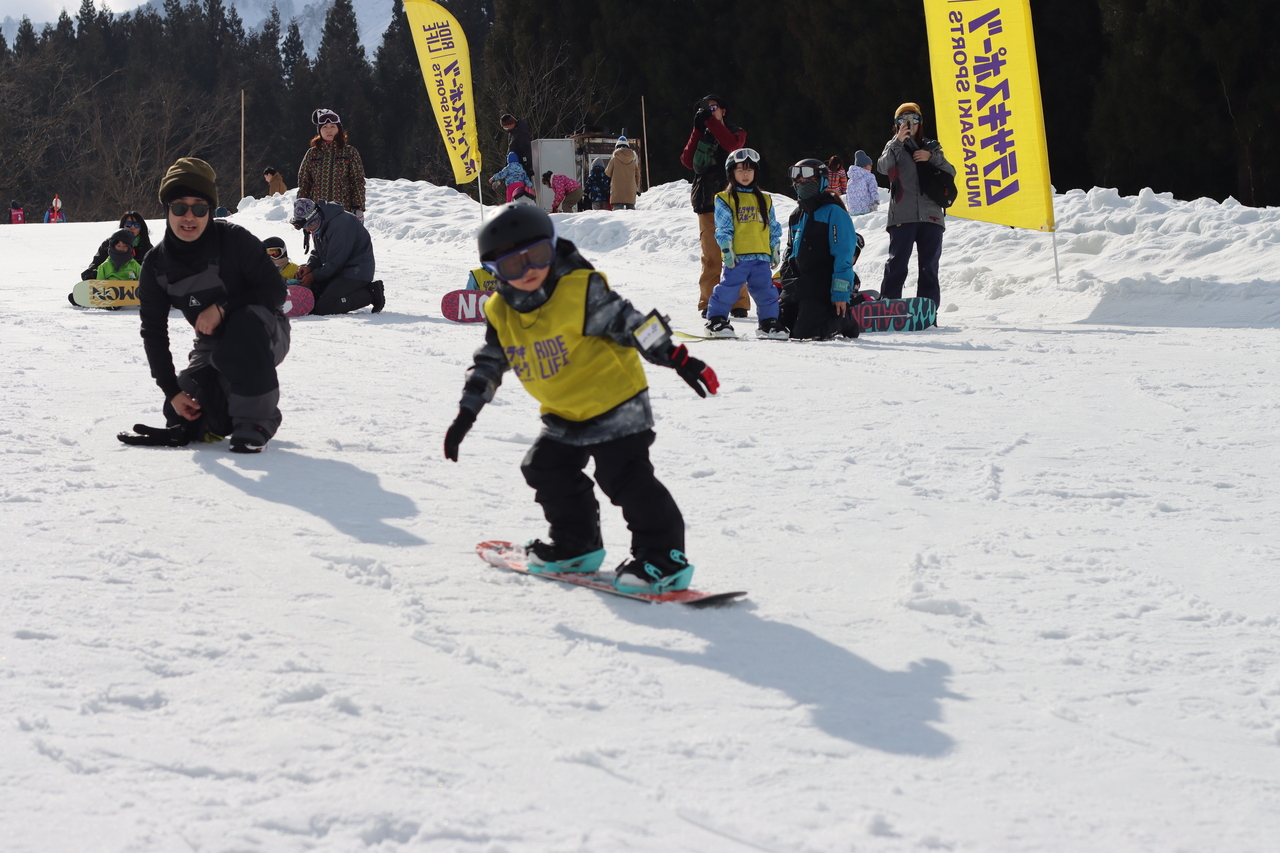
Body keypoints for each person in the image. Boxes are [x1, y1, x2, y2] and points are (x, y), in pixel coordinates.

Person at [443, 203, 720, 593]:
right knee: (543, 466)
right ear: (493, 271)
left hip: (617, 403)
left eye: (537, 256)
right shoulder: (500, 311)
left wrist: (679, 359)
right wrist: (465, 415)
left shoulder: (581, 290)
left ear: (553, 247)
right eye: (512, 266)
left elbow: (634, 325)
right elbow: (489, 363)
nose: (528, 272)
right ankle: (577, 543)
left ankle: (663, 556)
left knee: (623, 476)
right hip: (565, 412)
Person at [117, 157, 290, 454]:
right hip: (212, 344)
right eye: (179, 207)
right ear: (166, 209)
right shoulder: (156, 266)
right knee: (184, 410)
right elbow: (154, 332)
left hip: (263, 331)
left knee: (241, 328)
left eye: (199, 208)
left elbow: (276, 290)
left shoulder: (234, 240)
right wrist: (172, 392)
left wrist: (223, 307)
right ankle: (221, 418)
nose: (189, 217)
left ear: (210, 210)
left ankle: (257, 421)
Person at [877, 102, 955, 306]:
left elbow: (951, 172)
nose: (909, 124)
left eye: (914, 119)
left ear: (921, 123)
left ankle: (927, 310)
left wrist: (931, 158)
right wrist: (896, 142)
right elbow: (883, 167)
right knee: (897, 263)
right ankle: (888, 306)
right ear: (896, 124)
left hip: (932, 216)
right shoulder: (893, 146)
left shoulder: (932, 147)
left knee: (929, 266)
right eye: (903, 120)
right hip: (903, 215)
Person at [680, 94, 750, 318]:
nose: (709, 112)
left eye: (713, 108)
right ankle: (708, 302)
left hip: (733, 204)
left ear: (723, 111)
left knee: (736, 254)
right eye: (704, 109)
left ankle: (739, 303)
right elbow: (687, 161)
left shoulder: (737, 132)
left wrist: (711, 123)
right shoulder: (702, 135)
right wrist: (697, 130)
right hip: (706, 203)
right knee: (711, 257)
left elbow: (731, 146)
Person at [776, 159, 862, 341]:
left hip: (821, 287)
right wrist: (784, 282)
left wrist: (840, 294)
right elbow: (790, 252)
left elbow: (844, 256)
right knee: (778, 329)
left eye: (808, 181)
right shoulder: (796, 215)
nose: (802, 185)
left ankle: (844, 319)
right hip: (798, 287)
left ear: (822, 181)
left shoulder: (834, 212)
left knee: (805, 334)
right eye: (798, 182)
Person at [704, 148, 785, 340]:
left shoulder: (765, 199)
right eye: (740, 170)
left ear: (756, 172)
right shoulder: (725, 198)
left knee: (767, 291)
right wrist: (726, 249)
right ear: (731, 172)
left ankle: (769, 322)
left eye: (749, 169)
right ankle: (716, 320)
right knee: (729, 289)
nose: (745, 174)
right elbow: (723, 228)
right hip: (738, 257)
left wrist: (774, 248)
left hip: (761, 257)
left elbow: (772, 226)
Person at [291, 197, 384, 315]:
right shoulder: (321, 223)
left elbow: (336, 262)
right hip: (339, 270)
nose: (308, 230)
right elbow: (319, 253)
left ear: (315, 218)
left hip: (355, 272)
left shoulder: (341, 224)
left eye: (309, 226)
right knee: (315, 297)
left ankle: (370, 293)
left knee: (323, 307)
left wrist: (313, 275)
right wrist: (309, 267)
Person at [297, 108, 367, 218]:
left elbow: (357, 181)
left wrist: (358, 207)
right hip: (317, 212)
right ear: (319, 130)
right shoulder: (312, 154)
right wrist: (301, 208)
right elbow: (304, 183)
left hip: (343, 210)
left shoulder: (349, 152)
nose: (329, 130)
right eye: (325, 127)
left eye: (332, 127)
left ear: (338, 129)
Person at [81, 211, 153, 280]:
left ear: (141, 228)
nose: (132, 227)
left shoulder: (146, 247)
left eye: (137, 225)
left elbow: (155, 270)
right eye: (128, 224)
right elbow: (96, 264)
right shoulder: (109, 244)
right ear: (122, 225)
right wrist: (91, 274)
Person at [605, 136, 640, 210]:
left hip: (617, 191)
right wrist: (636, 187)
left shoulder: (614, 160)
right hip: (630, 190)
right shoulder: (632, 161)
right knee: (631, 213)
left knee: (618, 213)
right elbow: (638, 176)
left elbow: (607, 173)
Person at [845, 150, 880, 215]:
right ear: (865, 165)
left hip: (853, 211)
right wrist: (876, 201)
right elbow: (873, 189)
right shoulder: (869, 176)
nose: (871, 167)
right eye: (870, 165)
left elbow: (848, 195)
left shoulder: (851, 179)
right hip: (867, 210)